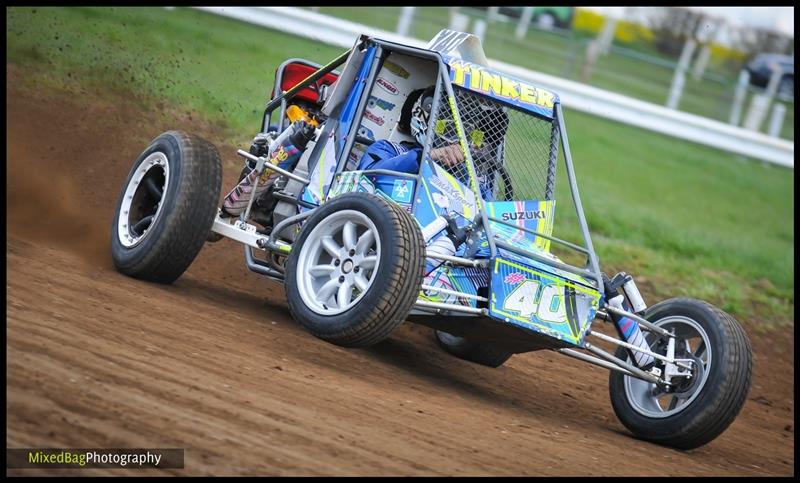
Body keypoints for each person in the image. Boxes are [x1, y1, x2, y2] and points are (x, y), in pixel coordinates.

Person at [356, 86, 465, 174]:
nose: (457, 139)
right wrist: (426, 156)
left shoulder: (466, 174)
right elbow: (368, 175)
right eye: (448, 128)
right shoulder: (388, 149)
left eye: (466, 132)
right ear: (423, 119)